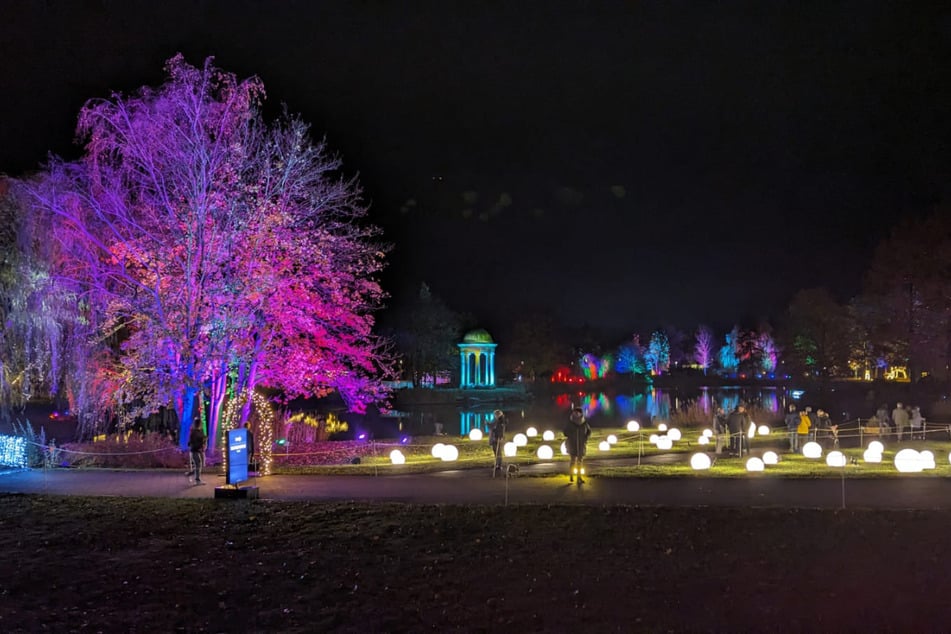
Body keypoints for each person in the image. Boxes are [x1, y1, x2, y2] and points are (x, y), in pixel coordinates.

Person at [564, 407, 591, 483]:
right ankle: (572, 476)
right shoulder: (571, 423)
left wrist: (585, 438)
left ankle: (578, 477)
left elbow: (589, 431)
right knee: (574, 460)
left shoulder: (584, 423)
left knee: (578, 461)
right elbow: (565, 432)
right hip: (573, 444)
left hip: (581, 444)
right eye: (575, 412)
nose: (576, 414)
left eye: (578, 412)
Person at [185, 419, 207, 485]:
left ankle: (192, 473)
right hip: (195, 450)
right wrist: (199, 445)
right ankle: (197, 480)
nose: (201, 424)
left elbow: (202, 439)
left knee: (201, 464)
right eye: (200, 423)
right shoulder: (194, 432)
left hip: (200, 450)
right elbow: (192, 442)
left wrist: (204, 441)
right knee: (198, 464)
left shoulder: (201, 431)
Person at [489, 409, 507, 476]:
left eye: (496, 415)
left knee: (498, 451)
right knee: (495, 451)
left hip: (497, 438)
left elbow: (500, 430)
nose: (495, 416)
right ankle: (497, 463)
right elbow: (492, 427)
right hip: (493, 438)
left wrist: (501, 437)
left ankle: (499, 464)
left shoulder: (501, 421)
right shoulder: (495, 420)